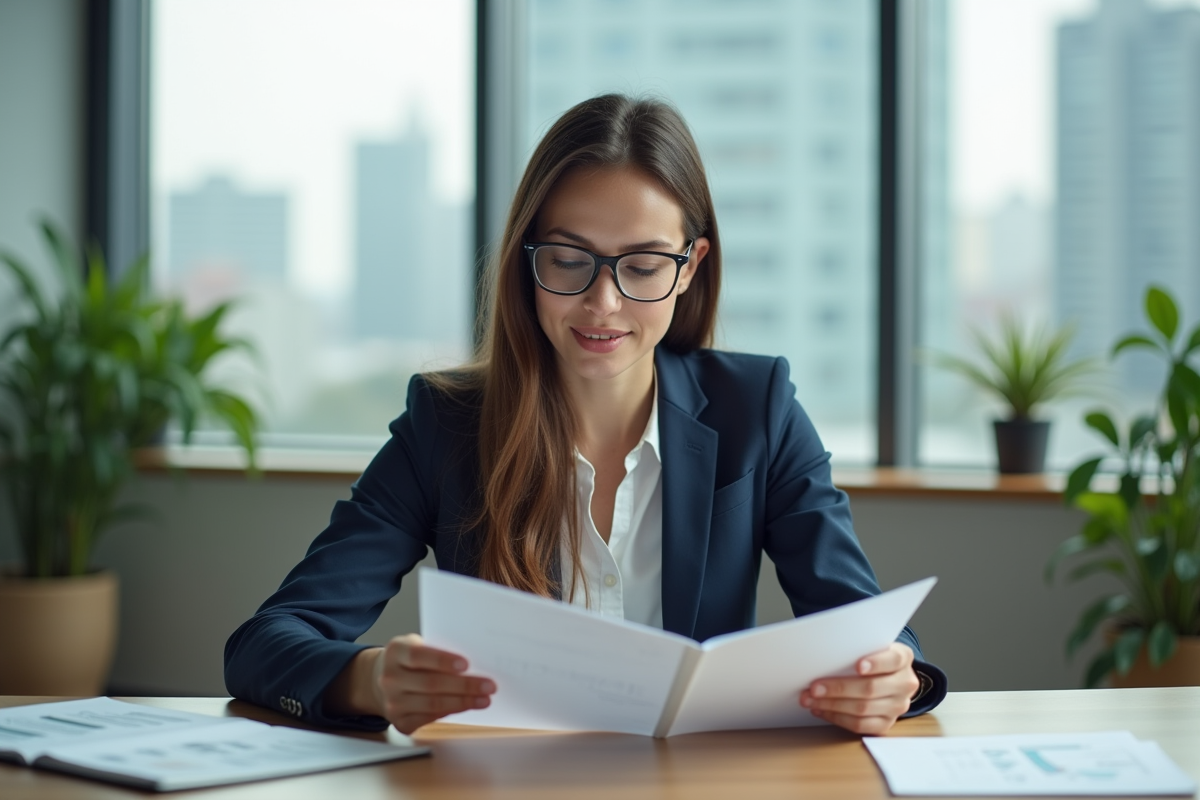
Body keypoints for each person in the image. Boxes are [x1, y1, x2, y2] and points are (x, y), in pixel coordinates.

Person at [225, 94, 947, 737]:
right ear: (527, 259)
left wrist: (894, 676)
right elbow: (264, 643)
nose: (603, 303)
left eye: (642, 266)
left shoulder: (758, 410)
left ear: (690, 266)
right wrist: (372, 679)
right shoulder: (444, 424)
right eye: (569, 260)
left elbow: (870, 628)